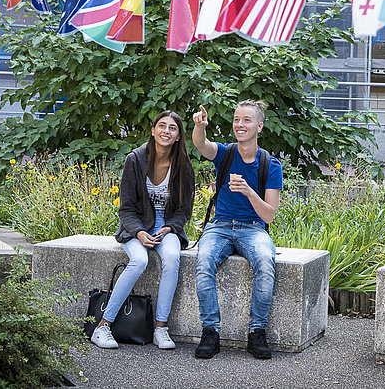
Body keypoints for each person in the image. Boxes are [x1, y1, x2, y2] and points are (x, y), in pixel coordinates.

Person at [91, 111, 195, 350]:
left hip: (166, 227)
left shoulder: (183, 166)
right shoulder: (135, 160)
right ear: (152, 130)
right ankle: (103, 326)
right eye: (161, 126)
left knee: (171, 257)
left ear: (178, 136)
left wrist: (170, 227)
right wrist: (138, 232)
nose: (166, 131)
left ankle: (160, 328)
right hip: (135, 225)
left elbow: (184, 210)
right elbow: (126, 209)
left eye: (172, 128)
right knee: (139, 260)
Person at [191, 99, 283, 360]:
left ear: (259, 126)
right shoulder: (226, 153)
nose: (239, 125)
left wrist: (249, 191)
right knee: (204, 260)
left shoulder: (270, 165)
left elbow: (269, 215)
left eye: (246, 120)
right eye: (236, 120)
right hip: (219, 226)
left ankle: (257, 333)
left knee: (266, 261)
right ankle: (210, 332)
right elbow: (201, 145)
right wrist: (201, 126)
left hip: (253, 228)